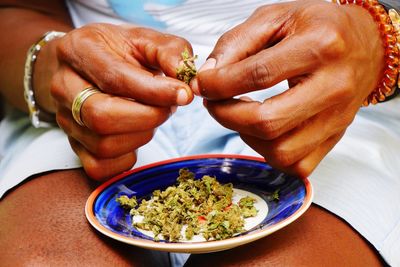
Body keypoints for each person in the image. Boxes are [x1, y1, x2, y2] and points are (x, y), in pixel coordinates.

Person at [0, 0, 399, 266]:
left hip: (338, 96)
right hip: (90, 100)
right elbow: (15, 10)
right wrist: (55, 66)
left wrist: (381, 39)